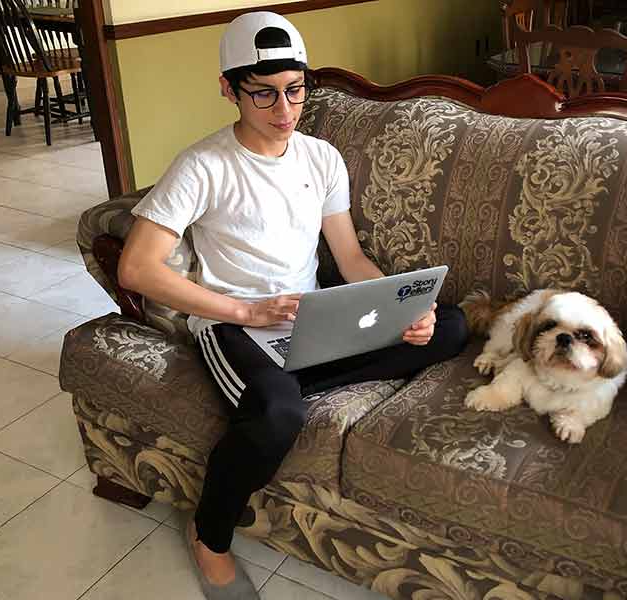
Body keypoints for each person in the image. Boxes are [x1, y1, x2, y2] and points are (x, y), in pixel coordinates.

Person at [117, 11, 468, 600]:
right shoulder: (202, 166)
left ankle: (293, 379)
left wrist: (398, 309)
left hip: (311, 319)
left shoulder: (321, 159)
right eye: (263, 94)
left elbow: (350, 258)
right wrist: (246, 312)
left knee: (450, 328)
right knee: (279, 416)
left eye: (295, 91)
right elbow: (137, 266)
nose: (284, 111)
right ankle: (209, 536)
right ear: (228, 89)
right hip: (234, 327)